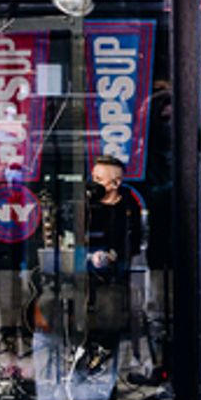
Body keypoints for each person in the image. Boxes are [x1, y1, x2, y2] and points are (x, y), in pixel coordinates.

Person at [83, 155, 142, 375]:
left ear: (115, 183)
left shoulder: (128, 207)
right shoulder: (85, 203)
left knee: (110, 305)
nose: (93, 183)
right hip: (82, 269)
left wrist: (112, 255)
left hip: (111, 274)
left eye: (99, 179)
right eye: (93, 177)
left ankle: (102, 353)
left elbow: (133, 243)